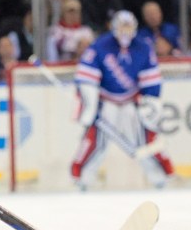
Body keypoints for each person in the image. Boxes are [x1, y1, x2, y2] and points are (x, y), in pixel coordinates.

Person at [70, 10, 174, 189]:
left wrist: (150, 103)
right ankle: (82, 178)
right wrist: (89, 103)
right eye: (122, 27)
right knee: (97, 142)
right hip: (106, 101)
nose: (125, 31)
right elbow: (86, 77)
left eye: (129, 27)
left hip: (131, 102)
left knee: (145, 141)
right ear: (114, 27)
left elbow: (151, 80)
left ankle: (161, 177)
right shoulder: (100, 45)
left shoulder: (143, 47)